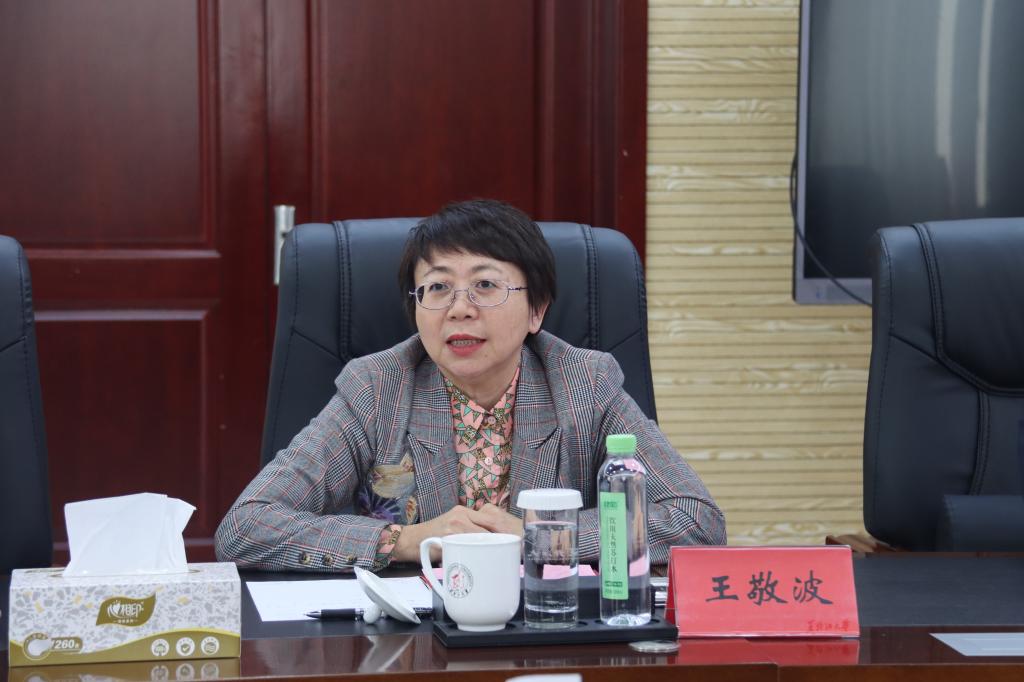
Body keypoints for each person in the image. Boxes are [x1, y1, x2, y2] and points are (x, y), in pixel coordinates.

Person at [215, 199, 725, 572]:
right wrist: (407, 539)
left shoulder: (584, 383)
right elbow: (246, 527)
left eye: (485, 285)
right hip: (409, 643)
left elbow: (697, 523)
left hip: (546, 626)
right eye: (438, 287)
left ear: (537, 310)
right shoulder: (377, 387)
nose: (460, 308)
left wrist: (543, 539)